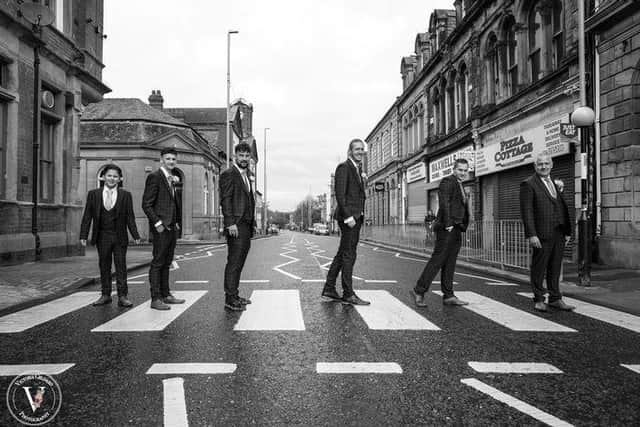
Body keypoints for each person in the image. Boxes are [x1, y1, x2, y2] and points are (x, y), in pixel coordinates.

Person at [520, 152, 575, 312]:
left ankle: (555, 298)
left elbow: (561, 206)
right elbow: (527, 211)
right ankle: (538, 298)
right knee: (539, 267)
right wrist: (531, 234)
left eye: (546, 163)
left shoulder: (555, 183)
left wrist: (567, 230)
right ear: (535, 166)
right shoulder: (528, 184)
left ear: (551, 165)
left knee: (555, 267)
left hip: (559, 231)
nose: (543, 166)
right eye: (540, 164)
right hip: (541, 233)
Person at [80, 164, 140, 307]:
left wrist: (136, 235)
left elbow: (130, 217)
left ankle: (123, 296)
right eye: (109, 176)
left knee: (121, 266)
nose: (112, 179)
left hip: (120, 236)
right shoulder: (93, 194)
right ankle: (105, 295)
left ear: (120, 179)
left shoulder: (126, 195)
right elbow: (87, 216)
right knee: (104, 266)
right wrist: (83, 235)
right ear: (103, 177)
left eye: (115, 176)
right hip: (102, 236)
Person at [412, 158, 470, 307]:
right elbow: (444, 202)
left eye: (465, 170)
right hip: (448, 228)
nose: (463, 173)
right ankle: (419, 290)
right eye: (460, 170)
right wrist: (449, 224)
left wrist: (460, 224)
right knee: (437, 261)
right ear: (454, 169)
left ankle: (448, 295)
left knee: (450, 262)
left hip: (457, 228)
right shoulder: (448, 182)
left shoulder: (459, 184)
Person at [321, 138, 370, 305]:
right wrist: (349, 217)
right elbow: (340, 195)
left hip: (355, 216)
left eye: (362, 149)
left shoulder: (357, 169)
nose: (360, 152)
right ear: (350, 151)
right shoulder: (344, 167)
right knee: (349, 255)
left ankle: (329, 287)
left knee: (343, 254)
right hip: (349, 218)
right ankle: (348, 293)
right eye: (357, 149)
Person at [142, 147, 185, 310]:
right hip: (161, 227)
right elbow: (146, 204)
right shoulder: (155, 177)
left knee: (167, 262)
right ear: (161, 160)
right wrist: (158, 224)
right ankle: (155, 298)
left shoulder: (171, 178)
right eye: (168, 159)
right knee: (158, 262)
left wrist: (176, 222)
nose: (171, 161)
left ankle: (166, 295)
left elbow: (172, 203)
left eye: (174, 159)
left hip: (171, 227)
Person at [220, 142, 256, 311]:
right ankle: (229, 298)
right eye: (241, 156)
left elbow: (249, 201)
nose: (244, 159)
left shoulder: (246, 176)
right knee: (234, 261)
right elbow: (225, 200)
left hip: (246, 225)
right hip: (236, 225)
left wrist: (252, 224)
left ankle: (234, 294)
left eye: (247, 156)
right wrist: (230, 223)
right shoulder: (229, 174)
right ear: (235, 156)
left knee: (239, 261)